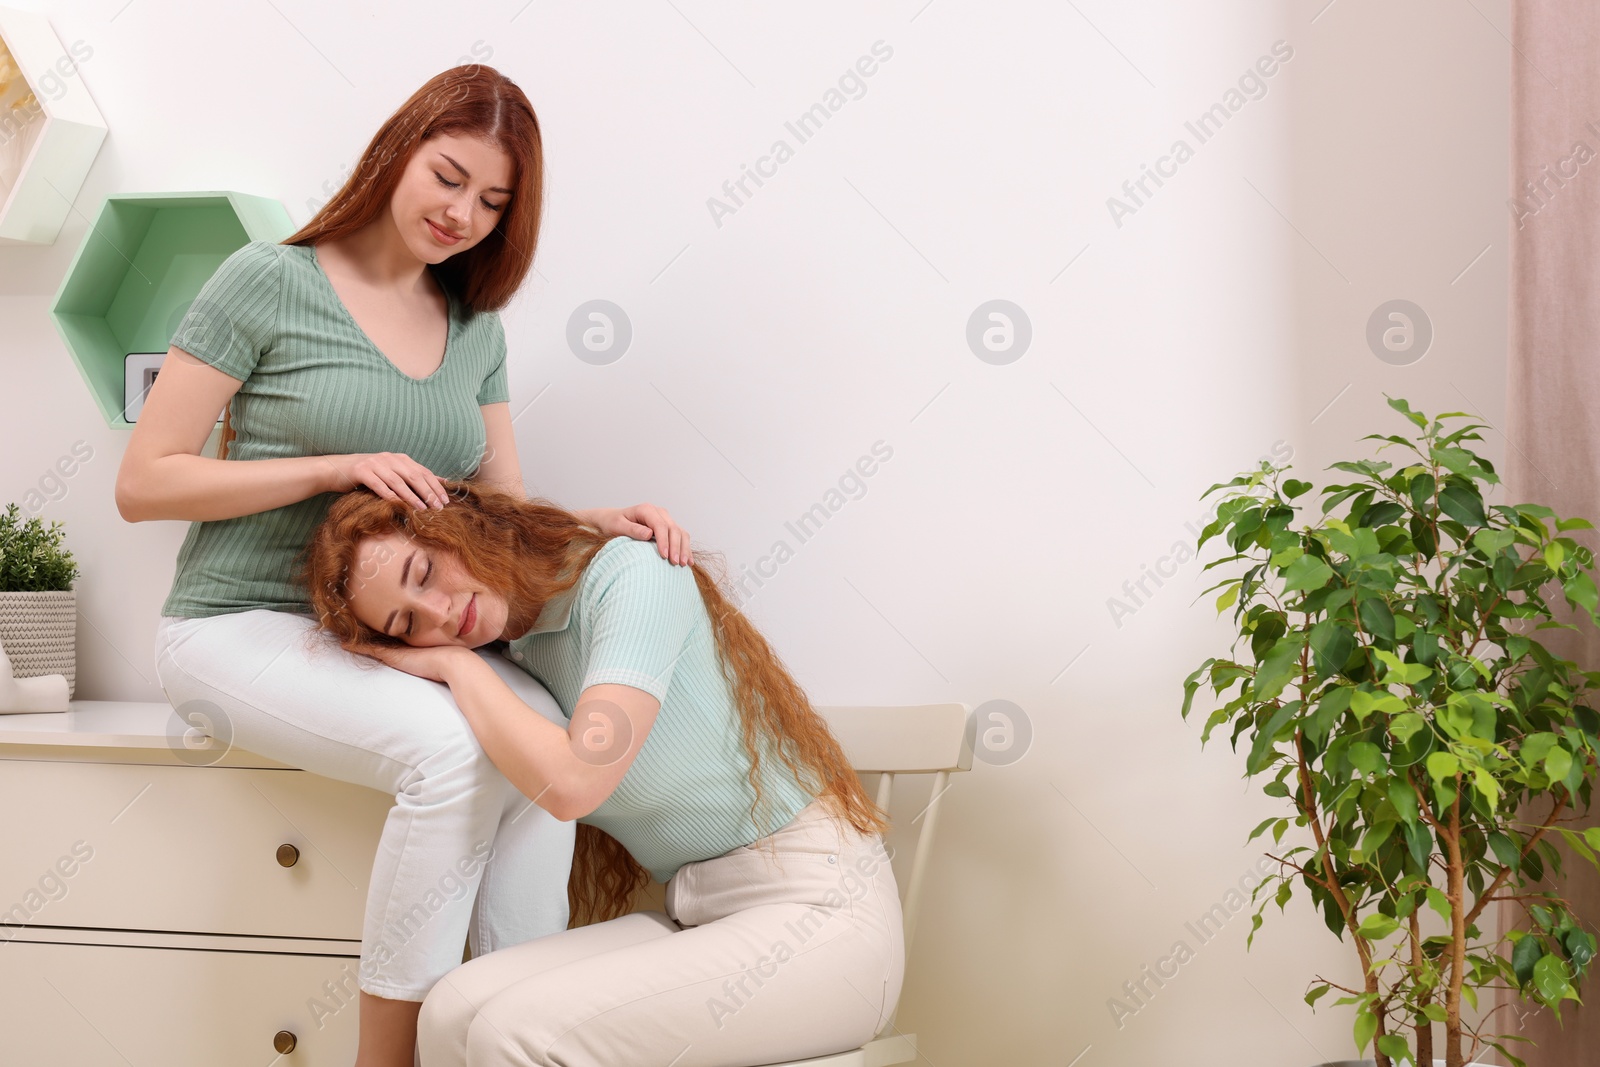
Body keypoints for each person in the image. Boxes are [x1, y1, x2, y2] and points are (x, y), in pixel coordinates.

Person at [117, 64, 692, 1067]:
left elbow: (498, 509)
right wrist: (335, 465)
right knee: (456, 751)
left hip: (392, 628)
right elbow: (145, 480)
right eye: (448, 176)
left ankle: (514, 1034)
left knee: (536, 733)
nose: (463, 212)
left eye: (493, 201)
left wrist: (595, 523)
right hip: (235, 623)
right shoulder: (268, 279)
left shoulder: (475, 329)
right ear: (399, 151)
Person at [298, 479, 905, 1066]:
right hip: (697, 912)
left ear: (456, 528)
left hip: (822, 916)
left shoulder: (633, 577)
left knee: (512, 1037)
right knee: (451, 1011)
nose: (437, 615)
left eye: (424, 574)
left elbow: (574, 783)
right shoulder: (515, 645)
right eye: (407, 626)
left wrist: (457, 669)